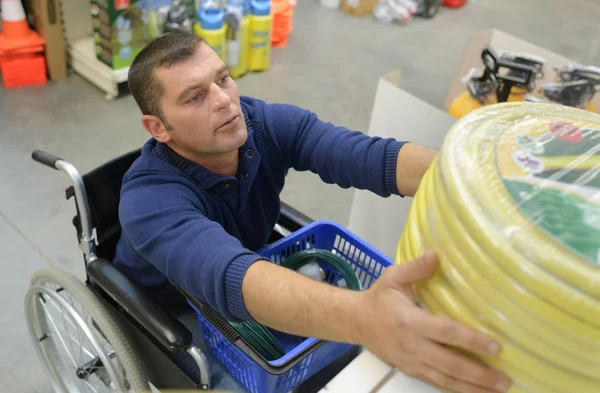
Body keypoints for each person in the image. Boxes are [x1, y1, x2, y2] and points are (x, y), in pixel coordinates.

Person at [114, 32, 512, 393]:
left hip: (243, 271)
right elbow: (230, 276)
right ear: (158, 128)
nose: (224, 101)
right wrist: (365, 319)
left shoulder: (264, 125)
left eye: (223, 79)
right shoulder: (149, 199)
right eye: (195, 96)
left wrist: (475, 177)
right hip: (170, 310)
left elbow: (370, 158)